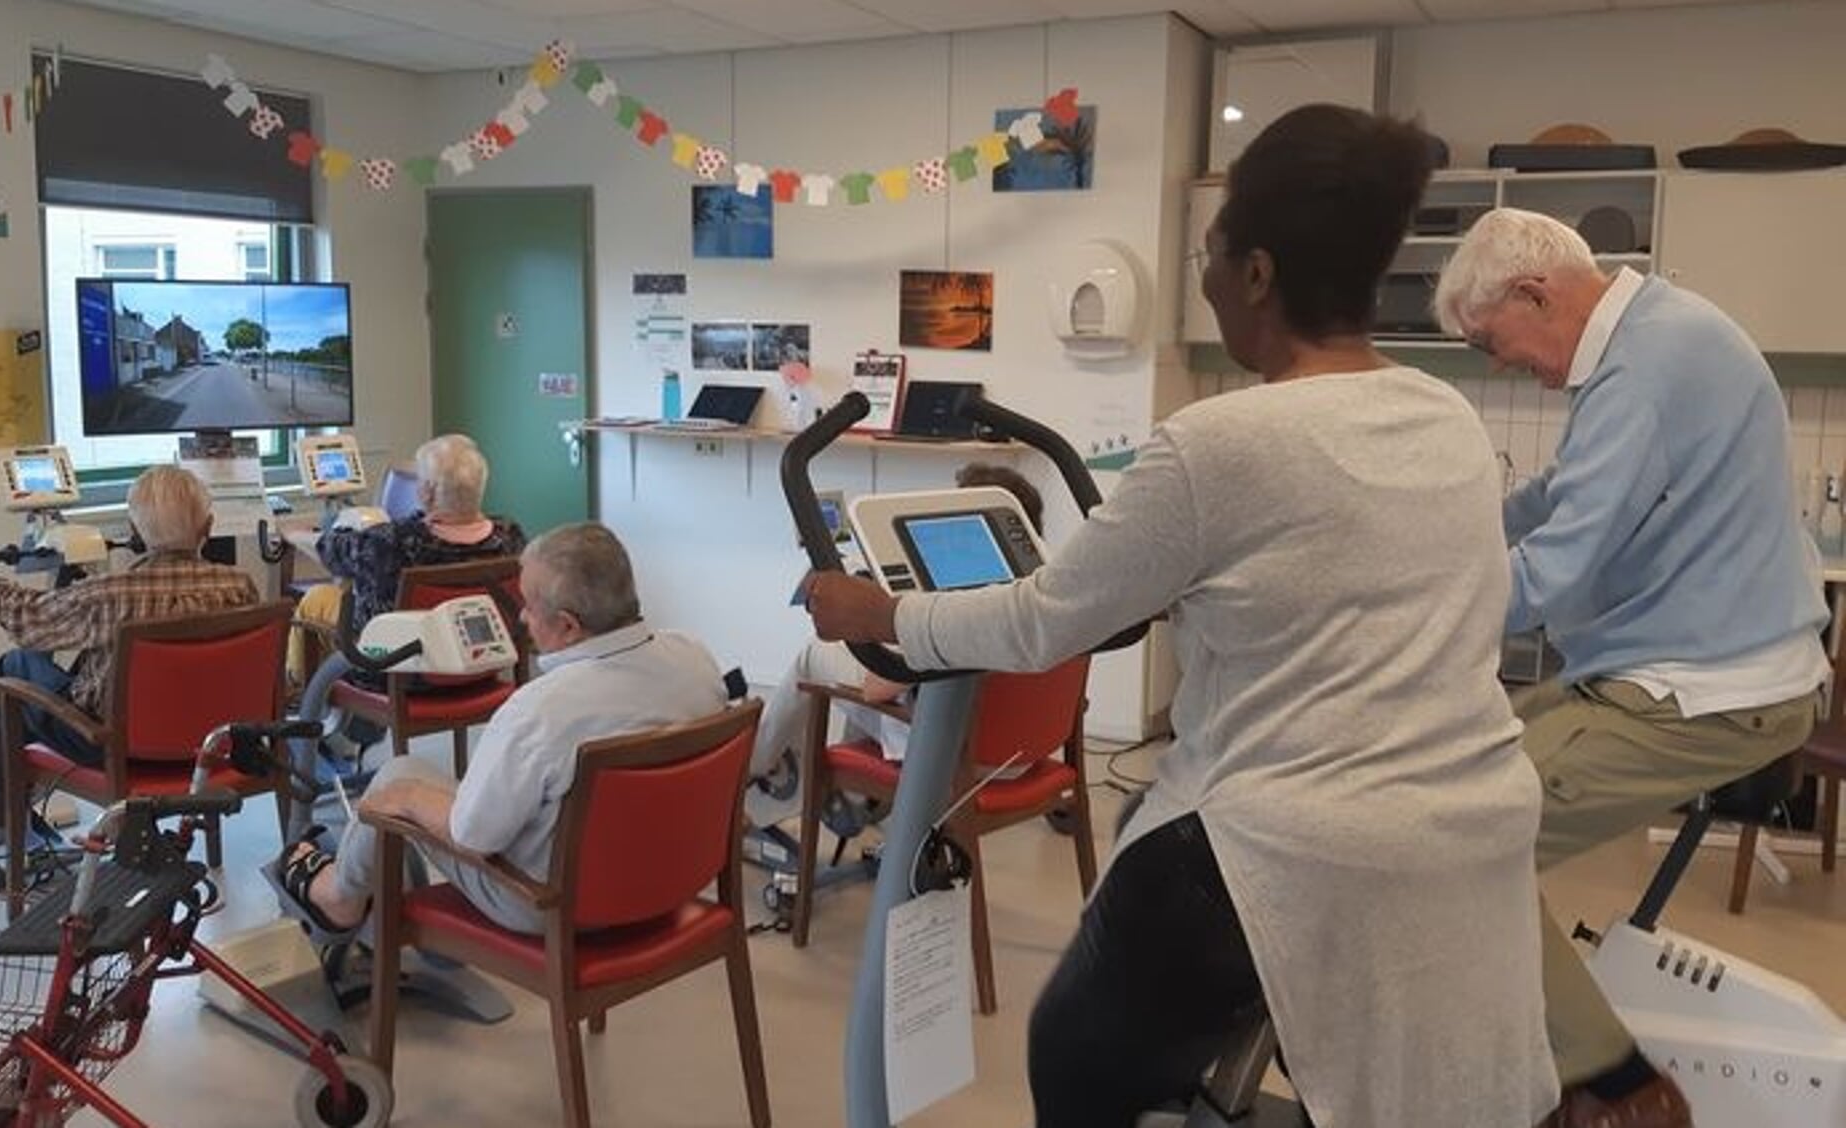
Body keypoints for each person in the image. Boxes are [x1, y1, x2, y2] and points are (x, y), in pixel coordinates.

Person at [802, 104, 1558, 1128]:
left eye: (1208, 258)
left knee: (1070, 1050)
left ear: (1253, 274)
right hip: (1466, 825)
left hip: (1298, 845)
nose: (1203, 284)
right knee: (1142, 840)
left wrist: (877, 605)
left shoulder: (1216, 443)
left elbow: (1037, 622)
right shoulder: (1448, 418)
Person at [1434, 208, 1827, 1128]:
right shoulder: (1654, 335)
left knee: (1453, 848)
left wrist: (1408, 614)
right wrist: (1443, 536)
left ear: (1535, 292)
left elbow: (1554, 567)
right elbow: (1552, 497)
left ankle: (1621, 1092)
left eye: (1493, 341)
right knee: (1438, 772)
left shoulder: (1642, 371)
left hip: (1700, 695)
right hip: (1670, 671)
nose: (1499, 364)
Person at [276, 523, 727, 936]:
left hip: (550, 903)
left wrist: (408, 798)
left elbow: (476, 836)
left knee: (398, 778)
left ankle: (337, 895)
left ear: (568, 625)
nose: (523, 620)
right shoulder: (696, 660)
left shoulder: (542, 710)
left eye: (529, 607)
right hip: (670, 882)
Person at [0, 466, 259, 835]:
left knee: (16, 663)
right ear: (208, 528)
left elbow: (26, 618)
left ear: (134, 530)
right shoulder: (240, 587)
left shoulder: (109, 593)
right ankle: (4, 794)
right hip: (213, 741)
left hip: (116, 747)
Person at [749, 462, 1046, 789]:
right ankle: (857, 798)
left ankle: (756, 763)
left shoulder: (961, 613)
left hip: (957, 759)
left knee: (819, 653)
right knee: (866, 660)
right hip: (1026, 754)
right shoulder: (1045, 600)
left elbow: (875, 690)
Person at [287, 433, 525, 688]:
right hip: (478, 669)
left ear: (428, 492)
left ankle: (297, 694)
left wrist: (291, 534)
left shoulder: (392, 543)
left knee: (317, 598)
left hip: (395, 671)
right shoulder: (511, 538)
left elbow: (329, 550)